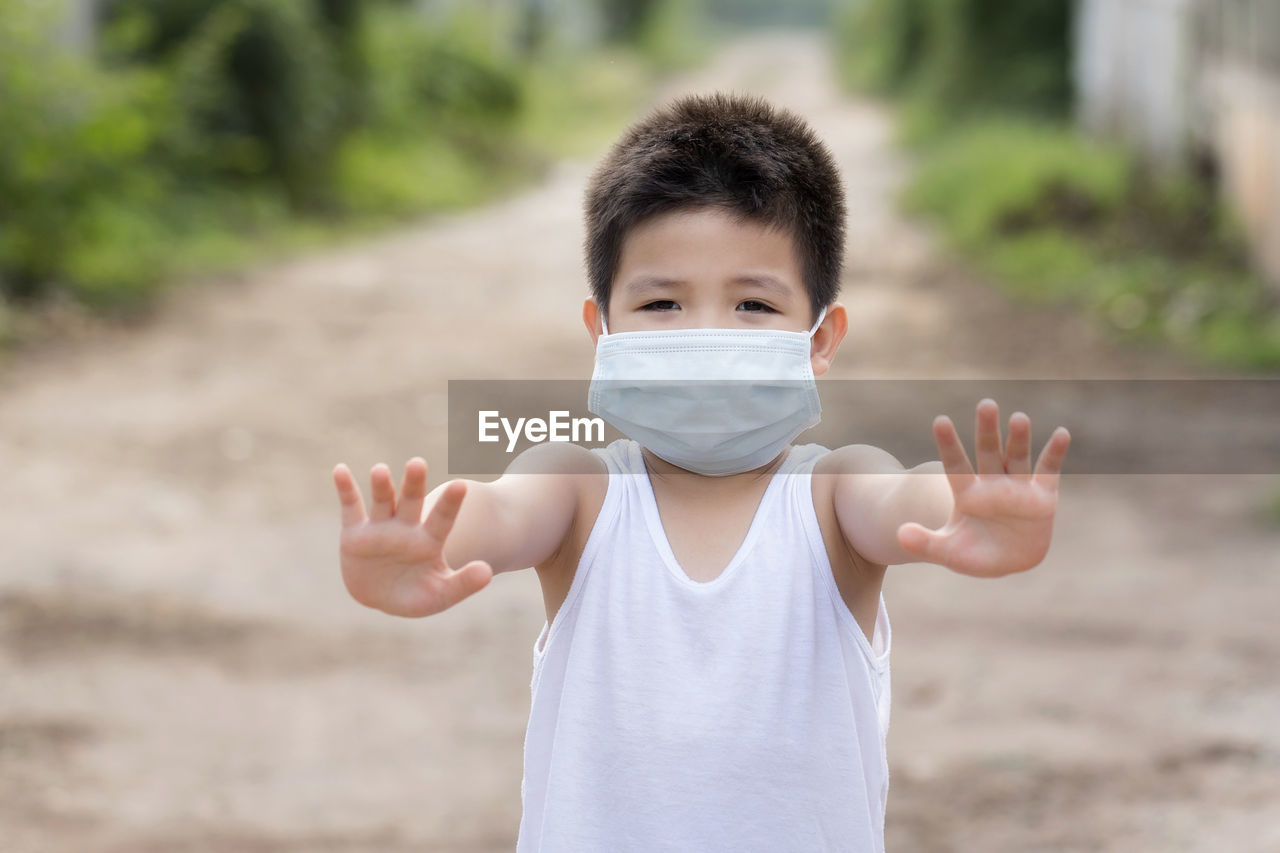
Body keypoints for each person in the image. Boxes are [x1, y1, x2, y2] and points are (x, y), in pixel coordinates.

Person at [331, 92, 1071, 852]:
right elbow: (497, 515)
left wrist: (961, 510)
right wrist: (425, 547)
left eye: (753, 303)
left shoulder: (834, 494)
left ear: (821, 339)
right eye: (661, 303)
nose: (708, 336)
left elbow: (902, 500)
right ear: (602, 329)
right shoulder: (578, 492)